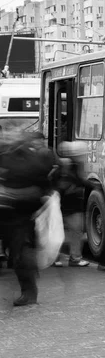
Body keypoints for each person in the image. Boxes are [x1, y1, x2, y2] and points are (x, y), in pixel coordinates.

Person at [0, 131, 57, 306]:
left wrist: (11, 194)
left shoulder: (30, 160)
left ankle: (29, 291)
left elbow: (43, 187)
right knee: (16, 249)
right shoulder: (8, 158)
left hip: (19, 214)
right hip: (12, 213)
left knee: (20, 250)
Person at [52, 141, 95, 267]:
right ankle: (67, 258)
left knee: (71, 231)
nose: (84, 157)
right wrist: (92, 186)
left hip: (68, 204)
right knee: (68, 232)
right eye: (82, 154)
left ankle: (70, 258)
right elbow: (71, 181)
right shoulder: (66, 165)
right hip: (64, 204)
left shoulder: (74, 165)